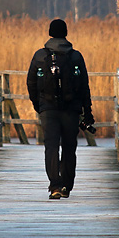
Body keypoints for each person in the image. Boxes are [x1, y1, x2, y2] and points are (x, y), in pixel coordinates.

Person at [26, 18, 94, 200]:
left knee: (51, 146)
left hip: (48, 109)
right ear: (65, 33)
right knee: (69, 147)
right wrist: (87, 112)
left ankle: (54, 185)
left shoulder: (40, 56)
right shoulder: (76, 56)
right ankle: (66, 186)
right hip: (71, 110)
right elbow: (84, 86)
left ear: (49, 33)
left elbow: (31, 83)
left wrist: (38, 105)